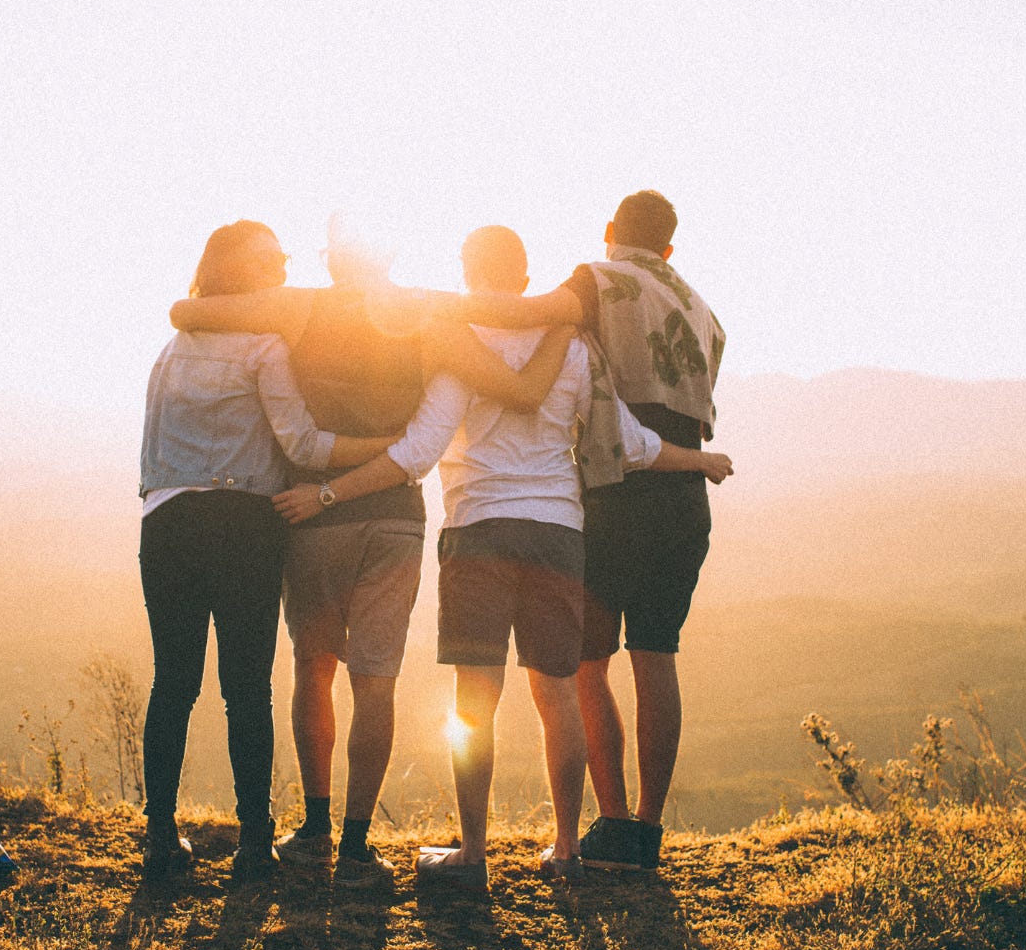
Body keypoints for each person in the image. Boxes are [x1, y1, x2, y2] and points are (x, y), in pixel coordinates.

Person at [273, 226, 732, 889]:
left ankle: (473, 855)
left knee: (474, 702)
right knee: (558, 695)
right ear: (525, 278)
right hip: (558, 535)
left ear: (467, 271)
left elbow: (418, 452)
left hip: (478, 531)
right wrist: (700, 460)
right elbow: (629, 443)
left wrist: (328, 492)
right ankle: (568, 849)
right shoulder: (574, 346)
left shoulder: (460, 344)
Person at [169, 219, 572, 886]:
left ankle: (316, 827)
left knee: (314, 667)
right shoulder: (428, 315)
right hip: (395, 519)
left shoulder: (301, 307)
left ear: (333, 262)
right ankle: (357, 847)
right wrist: (564, 321)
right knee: (376, 680)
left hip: (311, 516)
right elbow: (514, 380)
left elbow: (189, 311)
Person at [448, 192, 727, 872]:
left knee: (586, 666)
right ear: (669, 246)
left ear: (609, 234)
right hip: (682, 493)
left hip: (615, 490)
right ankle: (649, 832)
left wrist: (422, 309)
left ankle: (611, 822)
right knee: (657, 657)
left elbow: (521, 314)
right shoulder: (700, 307)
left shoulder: (597, 280)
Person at [138, 220, 396, 882]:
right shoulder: (265, 346)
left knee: (173, 684)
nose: (283, 266)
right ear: (241, 273)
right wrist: (388, 449)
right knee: (246, 690)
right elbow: (304, 447)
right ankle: (255, 844)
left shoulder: (171, 349)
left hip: (166, 522)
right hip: (244, 525)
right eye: (271, 259)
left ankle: (160, 838)